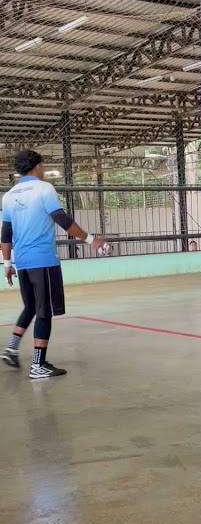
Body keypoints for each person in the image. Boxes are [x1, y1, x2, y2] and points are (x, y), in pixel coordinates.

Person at [1, 150, 105, 379]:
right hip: (43, 260)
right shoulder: (43, 188)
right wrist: (91, 240)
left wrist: (7, 263)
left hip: (23, 262)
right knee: (44, 312)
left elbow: (5, 234)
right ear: (37, 166)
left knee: (31, 307)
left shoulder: (8, 196)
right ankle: (38, 365)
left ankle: (12, 348)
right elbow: (62, 219)